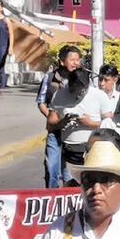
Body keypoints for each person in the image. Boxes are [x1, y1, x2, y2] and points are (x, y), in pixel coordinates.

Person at [37, 45, 82, 187]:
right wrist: (53, 118)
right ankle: (51, 201)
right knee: (52, 169)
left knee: (69, 173)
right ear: (62, 61)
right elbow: (41, 102)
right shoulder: (50, 78)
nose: (75, 63)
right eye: (72, 59)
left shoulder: (82, 79)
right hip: (55, 132)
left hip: (72, 132)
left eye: (77, 59)